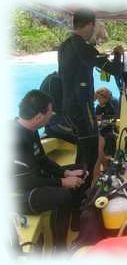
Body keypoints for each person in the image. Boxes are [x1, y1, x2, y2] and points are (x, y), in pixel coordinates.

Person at [58, 8, 124, 191]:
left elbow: (87, 59)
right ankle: (83, 192)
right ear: (89, 25)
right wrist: (118, 54)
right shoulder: (83, 47)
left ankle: (79, 187)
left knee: (83, 149)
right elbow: (115, 70)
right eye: (94, 27)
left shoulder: (65, 46)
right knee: (90, 151)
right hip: (81, 107)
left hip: (69, 106)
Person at [12, 90, 86, 250]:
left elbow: (42, 160)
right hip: (17, 195)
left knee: (80, 170)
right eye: (50, 112)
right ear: (39, 117)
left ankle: (75, 222)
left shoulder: (30, 131)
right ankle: (60, 248)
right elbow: (27, 181)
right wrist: (62, 182)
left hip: (32, 180)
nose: (52, 115)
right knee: (63, 195)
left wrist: (66, 173)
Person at [93, 87, 120, 181]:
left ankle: (107, 161)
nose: (98, 101)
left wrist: (103, 117)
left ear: (105, 97)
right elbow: (96, 117)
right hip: (102, 128)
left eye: (99, 99)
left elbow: (116, 117)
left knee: (108, 138)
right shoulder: (98, 107)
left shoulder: (112, 104)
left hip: (111, 129)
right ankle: (104, 162)